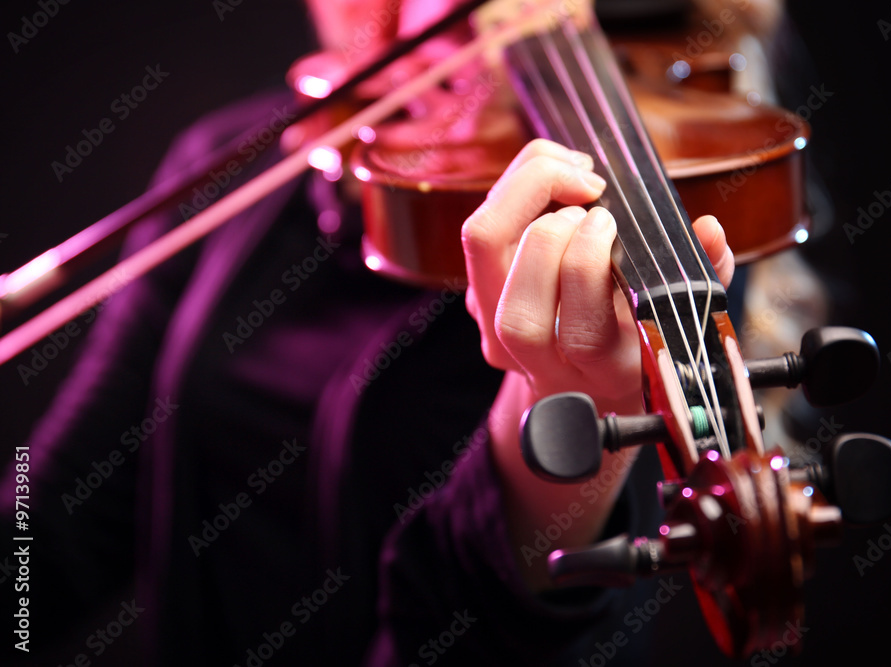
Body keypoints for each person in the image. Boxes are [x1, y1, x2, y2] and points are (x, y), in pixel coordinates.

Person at [2, 0, 735, 664]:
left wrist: (552, 444)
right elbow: (57, 527)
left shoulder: (661, 215)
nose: (416, 14)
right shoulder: (231, 163)